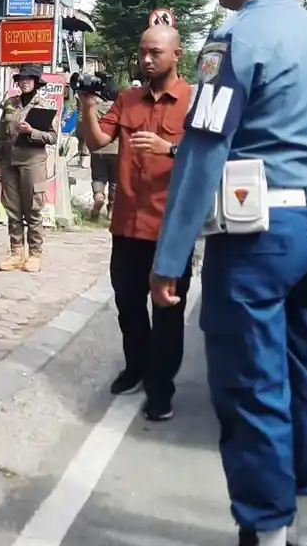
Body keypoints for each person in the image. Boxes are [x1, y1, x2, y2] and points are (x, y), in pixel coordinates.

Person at [151, 0, 307, 546]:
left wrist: (169, 259)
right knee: (303, 378)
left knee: (252, 388)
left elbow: (204, 152)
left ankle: (265, 532)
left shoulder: (235, 41)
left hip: (257, 240)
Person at [78, 25, 193, 422]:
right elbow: (95, 142)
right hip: (126, 225)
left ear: (176, 54)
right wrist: (87, 105)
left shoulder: (193, 101)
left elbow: (211, 153)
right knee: (128, 303)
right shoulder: (127, 99)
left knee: (167, 312)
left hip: (170, 230)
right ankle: (136, 367)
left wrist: (170, 148)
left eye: (155, 52)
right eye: (142, 52)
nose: (146, 59)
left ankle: (161, 389)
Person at [0, 63, 57, 273]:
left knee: (33, 210)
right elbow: (0, 136)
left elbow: (53, 137)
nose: (25, 81)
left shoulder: (44, 106)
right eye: (22, 78)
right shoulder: (10, 103)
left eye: (29, 78)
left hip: (32, 163)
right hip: (10, 163)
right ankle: (16, 252)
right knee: (13, 210)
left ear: (37, 82)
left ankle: (35, 254)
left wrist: (31, 131)